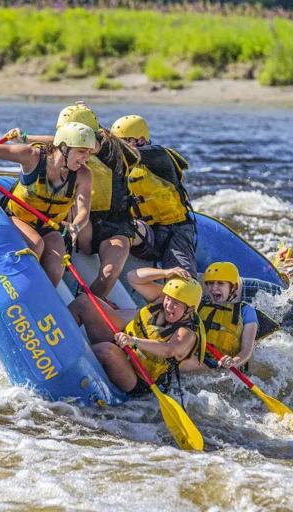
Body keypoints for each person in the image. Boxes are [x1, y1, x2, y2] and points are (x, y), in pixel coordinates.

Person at [6, 104, 140, 298]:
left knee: (109, 273)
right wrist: (25, 139)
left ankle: (85, 304)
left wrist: (27, 138)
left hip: (114, 223)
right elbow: (58, 143)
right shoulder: (68, 147)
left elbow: (69, 142)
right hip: (86, 220)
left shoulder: (104, 145)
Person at [0, 122, 95, 287]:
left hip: (50, 227)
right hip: (18, 218)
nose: (87, 158)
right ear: (64, 148)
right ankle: (12, 286)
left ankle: (39, 300)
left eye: (89, 152)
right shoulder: (31, 156)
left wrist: (76, 226)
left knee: (56, 268)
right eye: (82, 151)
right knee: (36, 244)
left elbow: (83, 212)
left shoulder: (83, 174)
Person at [68, 267, 206, 396]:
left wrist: (133, 341)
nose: (169, 306)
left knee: (106, 350)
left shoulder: (188, 333)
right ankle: (58, 337)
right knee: (85, 302)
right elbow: (133, 277)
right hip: (122, 342)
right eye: (169, 299)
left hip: (138, 378)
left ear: (189, 309)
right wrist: (165, 272)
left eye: (176, 304)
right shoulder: (162, 298)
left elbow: (169, 350)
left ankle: (66, 363)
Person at [110, 115, 198, 278]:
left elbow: (131, 153)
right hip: (145, 232)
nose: (115, 148)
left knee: (182, 280)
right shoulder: (119, 166)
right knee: (123, 226)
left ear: (141, 140)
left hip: (175, 232)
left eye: (121, 142)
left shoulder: (159, 155)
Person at [180, 262, 261, 372]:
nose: (214, 288)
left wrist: (234, 362)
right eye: (210, 283)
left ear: (233, 286)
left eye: (220, 284)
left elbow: (246, 351)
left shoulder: (246, 311)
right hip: (195, 357)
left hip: (219, 367)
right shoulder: (198, 303)